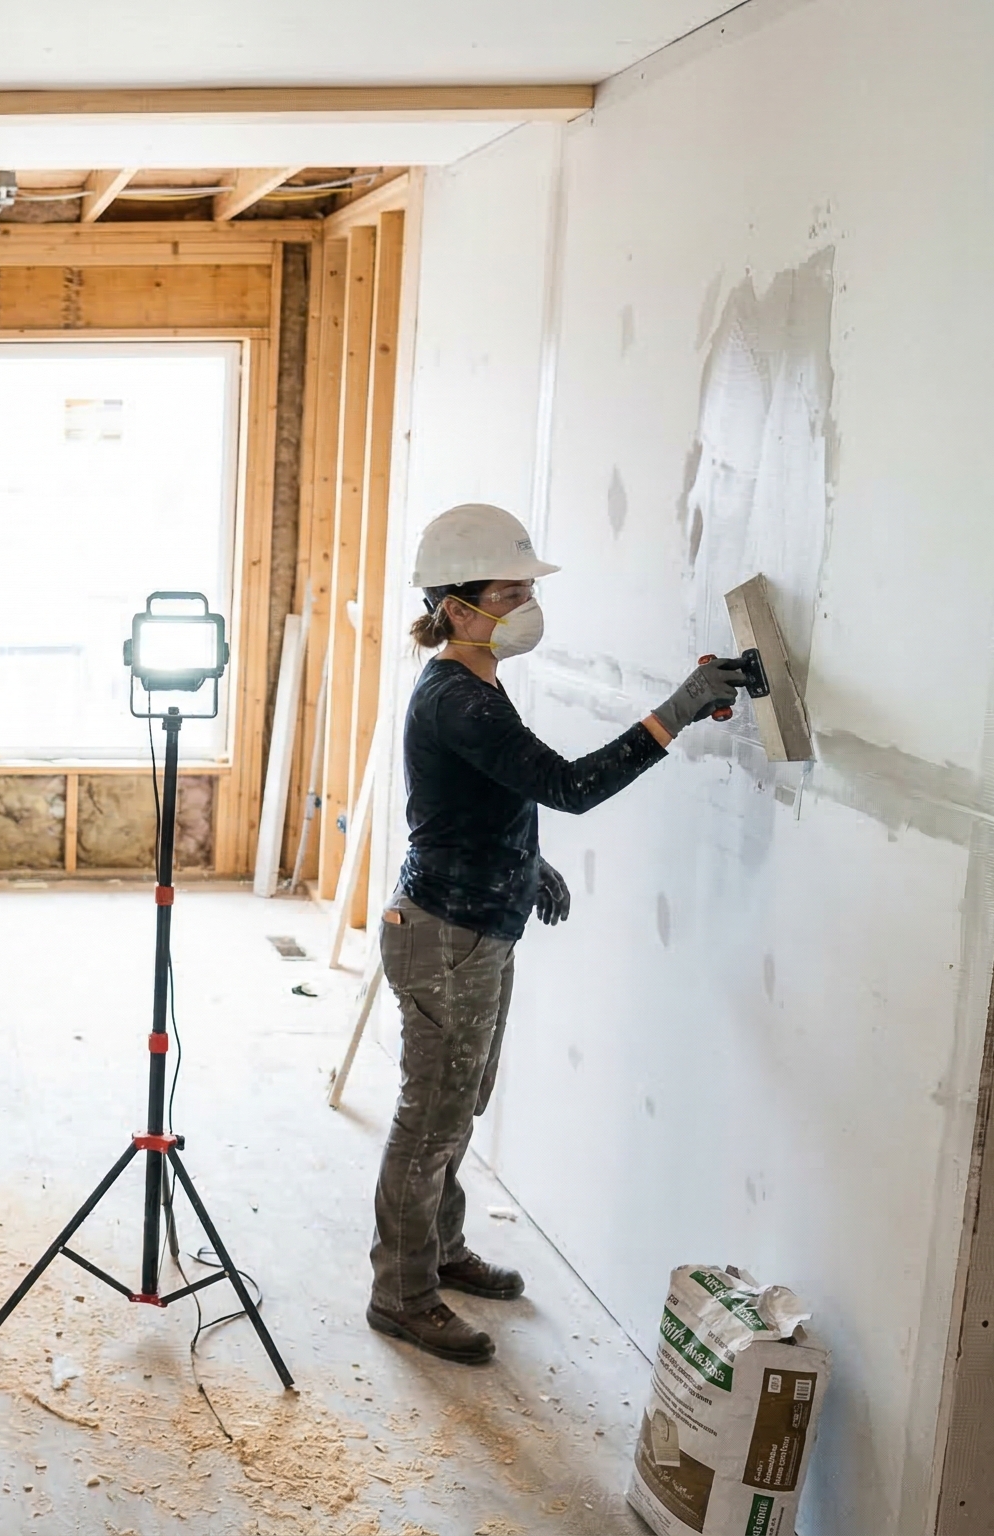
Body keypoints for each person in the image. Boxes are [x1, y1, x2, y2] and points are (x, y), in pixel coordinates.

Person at [364, 503, 750, 1366]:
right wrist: (673, 714)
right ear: (459, 609)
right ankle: (402, 1292)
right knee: (429, 1121)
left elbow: (474, 800)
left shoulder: (478, 684)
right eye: (509, 592)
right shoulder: (461, 699)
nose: (525, 606)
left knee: (458, 1106)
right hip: (445, 936)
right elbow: (566, 786)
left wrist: (522, 863)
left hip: (477, 921)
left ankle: (442, 1249)